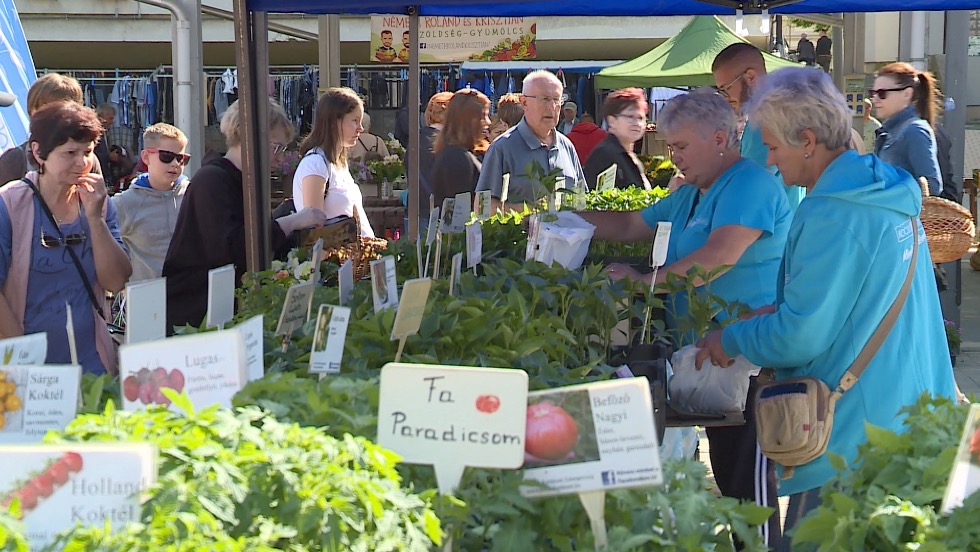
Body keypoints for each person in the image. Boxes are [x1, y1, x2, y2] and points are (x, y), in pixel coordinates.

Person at [694, 67, 957, 549]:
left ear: (808, 140)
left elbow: (801, 335)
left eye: (772, 147)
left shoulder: (832, 211)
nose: (769, 162)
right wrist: (774, 310)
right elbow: (858, 295)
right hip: (915, 417)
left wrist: (729, 338)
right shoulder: (885, 187)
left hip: (852, 437)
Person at [579, 90, 791, 548]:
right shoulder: (693, 193)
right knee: (732, 476)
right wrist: (559, 218)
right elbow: (630, 225)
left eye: (680, 147)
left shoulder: (750, 183)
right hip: (708, 359)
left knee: (748, 488)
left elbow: (717, 257)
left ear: (720, 138)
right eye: (670, 147)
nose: (673, 157)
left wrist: (641, 280)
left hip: (747, 360)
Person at [163, 99, 327, 331]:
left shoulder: (242, 182)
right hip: (195, 319)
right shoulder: (212, 181)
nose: (279, 158)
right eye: (276, 148)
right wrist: (290, 222)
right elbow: (233, 247)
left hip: (221, 313)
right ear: (250, 140)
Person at [0, 101, 131, 375]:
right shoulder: (10, 204)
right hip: (26, 364)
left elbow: (116, 281)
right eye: (70, 152)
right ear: (38, 152)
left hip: (91, 362)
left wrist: (95, 219)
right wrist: (22, 358)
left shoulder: (99, 202)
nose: (82, 163)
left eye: (88, 151)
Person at [713, 42, 807, 211]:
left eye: (726, 88)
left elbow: (750, 187)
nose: (725, 97)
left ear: (750, 77)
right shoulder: (779, 109)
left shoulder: (764, 118)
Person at [475, 71, 585, 212]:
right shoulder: (502, 148)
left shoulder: (566, 146)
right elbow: (482, 208)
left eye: (557, 100)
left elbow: (582, 198)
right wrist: (530, 210)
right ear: (524, 102)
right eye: (544, 99)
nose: (552, 107)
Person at [111, 123, 190, 282]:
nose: (175, 164)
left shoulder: (192, 194)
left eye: (181, 158)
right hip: (147, 297)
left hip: (190, 293)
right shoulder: (125, 203)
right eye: (166, 156)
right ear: (146, 157)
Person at [292, 87, 375, 237]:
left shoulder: (337, 164)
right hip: (337, 259)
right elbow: (315, 231)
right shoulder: (315, 164)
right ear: (333, 122)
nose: (360, 128)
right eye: (355, 121)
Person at [0, 74, 104, 185]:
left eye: (67, 111)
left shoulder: (87, 160)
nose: (59, 118)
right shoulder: (16, 159)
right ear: (33, 111)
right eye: (51, 110)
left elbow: (99, 197)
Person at [870, 61, 943, 196]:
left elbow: (932, 186)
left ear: (907, 94)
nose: (875, 99)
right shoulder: (891, 131)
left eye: (882, 93)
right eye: (873, 93)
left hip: (904, 215)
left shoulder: (914, 130)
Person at [430, 89, 490, 206]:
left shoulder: (455, 153)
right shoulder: (456, 157)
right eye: (483, 116)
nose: (488, 122)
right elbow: (460, 212)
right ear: (468, 120)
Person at [583, 88, 650, 190]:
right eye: (630, 116)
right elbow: (598, 200)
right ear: (612, 121)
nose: (637, 123)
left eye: (641, 118)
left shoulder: (629, 155)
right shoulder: (604, 154)